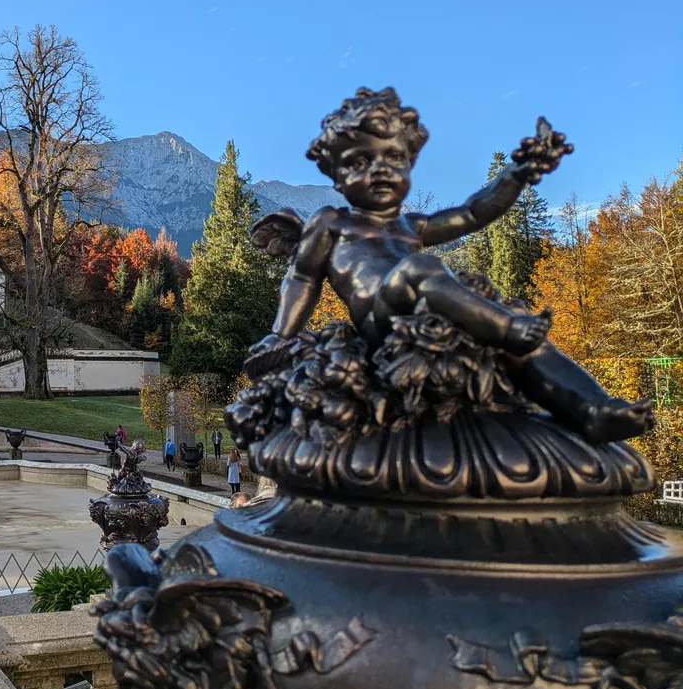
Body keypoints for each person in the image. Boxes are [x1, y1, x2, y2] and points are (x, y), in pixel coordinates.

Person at [251, 87, 651, 443]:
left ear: (410, 163)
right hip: (383, 319)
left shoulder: (410, 226)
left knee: (527, 346)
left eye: (394, 157)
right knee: (421, 270)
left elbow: (473, 213)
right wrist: (279, 335)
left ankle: (594, 410)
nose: (380, 169)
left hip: (435, 313)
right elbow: (302, 278)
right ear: (337, 177)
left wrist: (517, 174)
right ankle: (506, 328)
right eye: (360, 161)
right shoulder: (332, 223)